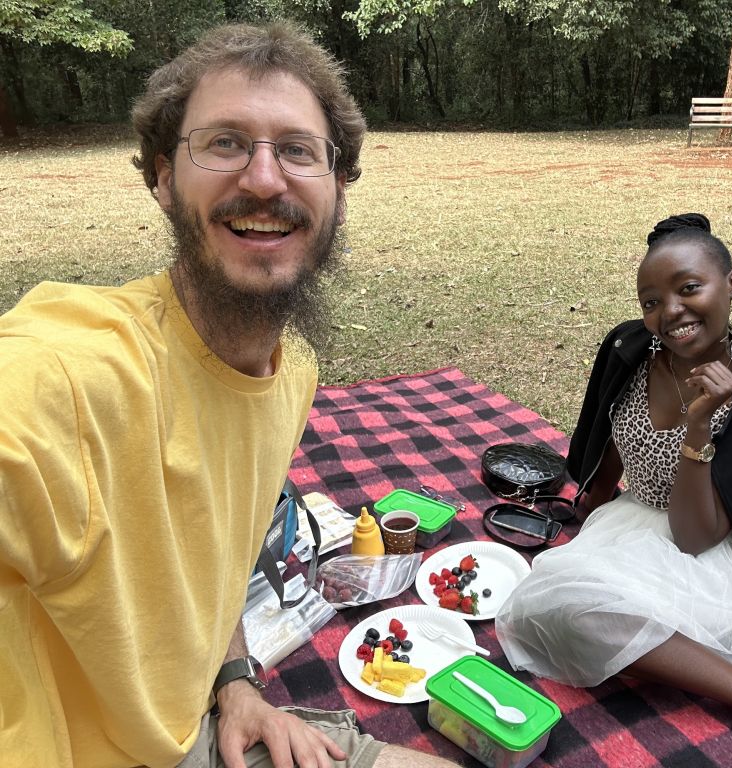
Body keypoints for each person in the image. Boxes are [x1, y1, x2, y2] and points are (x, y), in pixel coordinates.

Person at [0, 22, 455, 768]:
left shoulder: (292, 367)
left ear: (339, 190)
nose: (265, 179)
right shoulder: (71, 378)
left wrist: (235, 677)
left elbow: (217, 556)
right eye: (224, 143)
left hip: (208, 729)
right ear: (161, 177)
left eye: (298, 149)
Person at [496, 214, 732, 768]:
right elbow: (613, 433)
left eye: (689, 288)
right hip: (629, 521)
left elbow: (695, 537)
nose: (669, 313)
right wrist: (590, 499)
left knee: (576, 604)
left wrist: (698, 426)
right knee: (542, 606)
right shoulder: (629, 348)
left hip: (712, 549)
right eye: (651, 300)